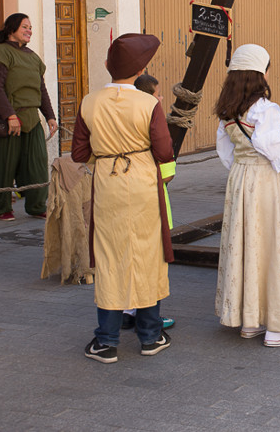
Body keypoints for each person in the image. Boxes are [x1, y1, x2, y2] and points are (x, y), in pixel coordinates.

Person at [73, 34, 175, 364]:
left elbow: (79, 152)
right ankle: (150, 336)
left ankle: (106, 341)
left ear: (107, 66)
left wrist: (104, 159)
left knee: (109, 255)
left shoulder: (89, 102)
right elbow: (163, 150)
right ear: (141, 69)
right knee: (147, 253)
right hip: (143, 182)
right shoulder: (149, 104)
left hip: (107, 182)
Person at [214, 44, 280, 346]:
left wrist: (242, 168)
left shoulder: (227, 109)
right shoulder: (265, 109)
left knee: (246, 244)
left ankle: (250, 320)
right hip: (264, 180)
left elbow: (225, 152)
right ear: (261, 73)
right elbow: (276, 153)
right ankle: (279, 327)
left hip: (240, 178)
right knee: (274, 245)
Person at [0, 13, 58, 220]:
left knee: (37, 165)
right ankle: (4, 208)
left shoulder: (32, 57)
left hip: (31, 120)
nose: (29, 31)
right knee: (4, 167)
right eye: (25, 27)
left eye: (31, 27)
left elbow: (40, 89)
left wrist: (50, 116)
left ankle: (36, 205)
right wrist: (10, 116)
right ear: (11, 29)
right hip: (5, 120)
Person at [121, 72, 175, 333]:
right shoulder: (152, 115)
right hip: (147, 192)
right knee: (149, 259)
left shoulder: (119, 113)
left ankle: (126, 310)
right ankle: (149, 320)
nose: (161, 97)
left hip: (120, 190)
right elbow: (164, 153)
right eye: (157, 94)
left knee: (126, 255)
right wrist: (167, 174)